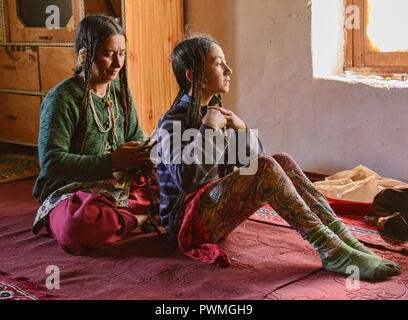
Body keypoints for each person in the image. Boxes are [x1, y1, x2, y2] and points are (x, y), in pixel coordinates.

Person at [155, 36, 401, 280]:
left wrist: (241, 130)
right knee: (267, 167)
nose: (229, 70)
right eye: (218, 63)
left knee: (280, 160)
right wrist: (209, 130)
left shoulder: (216, 114)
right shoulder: (172, 121)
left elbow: (254, 167)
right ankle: (331, 250)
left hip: (210, 213)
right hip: (184, 227)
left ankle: (343, 238)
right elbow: (186, 181)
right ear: (193, 75)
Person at [32, 15, 158, 255]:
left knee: (177, 185)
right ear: (84, 54)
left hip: (119, 183)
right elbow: (51, 162)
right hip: (71, 191)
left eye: (122, 53)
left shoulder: (120, 90)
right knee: (77, 226)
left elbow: (135, 135)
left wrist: (147, 152)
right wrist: (111, 162)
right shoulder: (62, 98)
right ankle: (142, 217)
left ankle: (133, 215)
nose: (118, 63)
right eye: (109, 53)